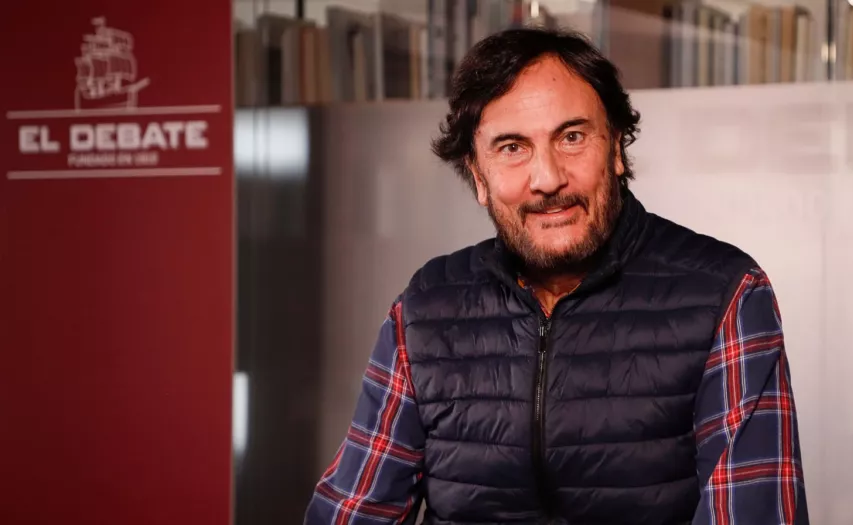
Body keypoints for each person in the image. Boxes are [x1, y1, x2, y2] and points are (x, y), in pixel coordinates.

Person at [305, 27, 807, 525]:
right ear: (478, 176)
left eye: (572, 137)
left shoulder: (726, 295)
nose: (547, 179)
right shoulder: (426, 308)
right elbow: (351, 512)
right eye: (512, 147)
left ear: (615, 148)